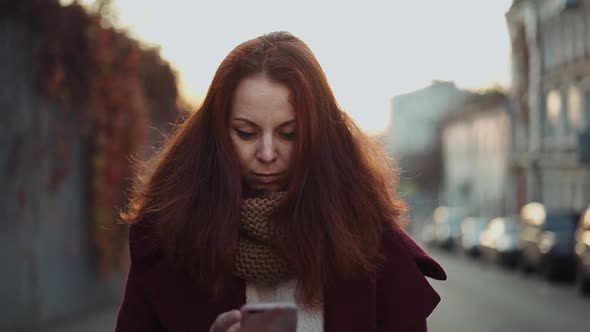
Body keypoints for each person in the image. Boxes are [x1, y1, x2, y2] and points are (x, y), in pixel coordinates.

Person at [114, 31, 446, 332]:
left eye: (290, 134)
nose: (268, 152)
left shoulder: (372, 244)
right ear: (215, 134)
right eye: (246, 133)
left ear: (320, 137)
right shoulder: (167, 242)